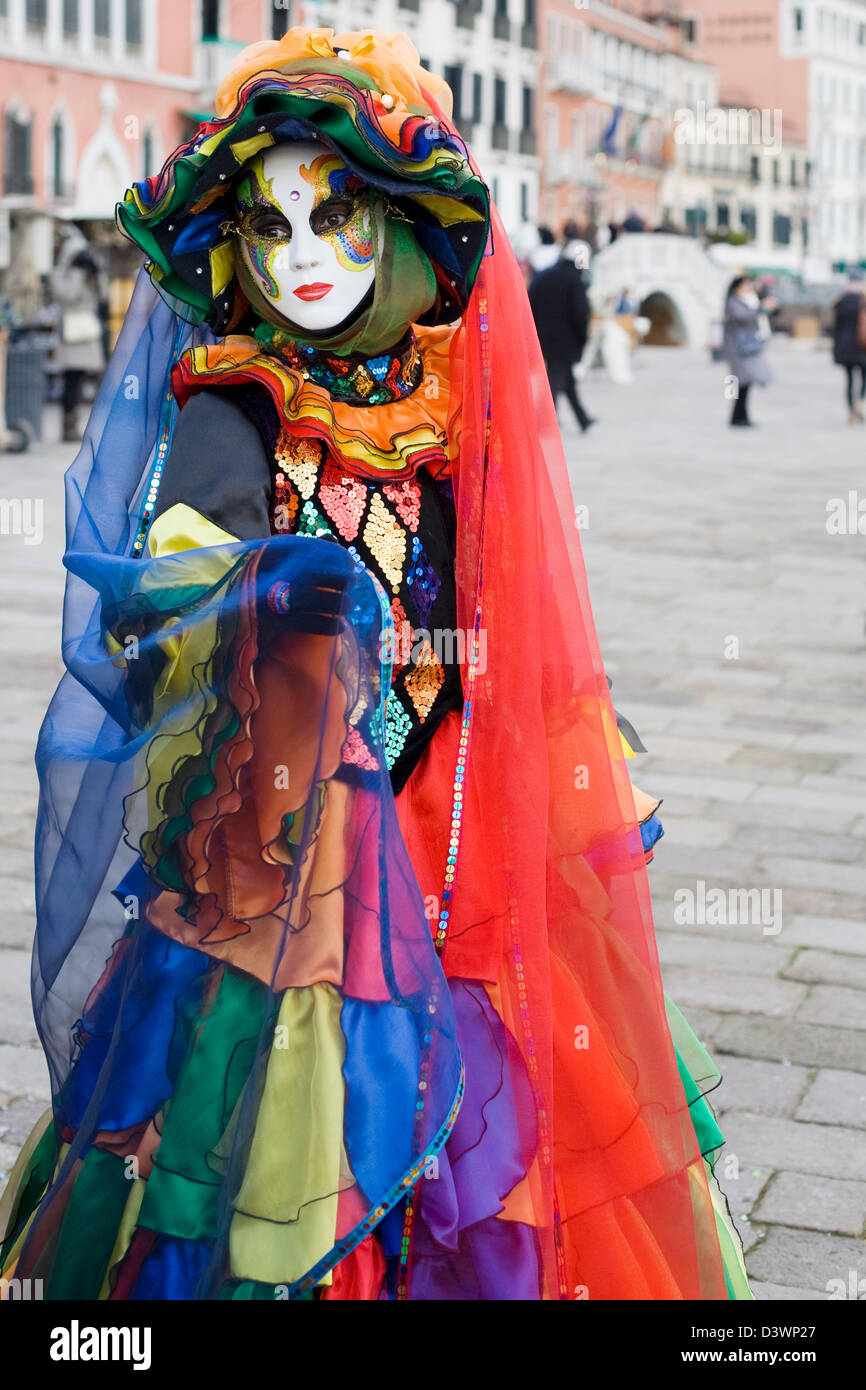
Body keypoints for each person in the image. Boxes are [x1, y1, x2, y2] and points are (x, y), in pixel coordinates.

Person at [1, 28, 751, 1301]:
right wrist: (235, 580)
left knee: (508, 1105)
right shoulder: (232, 396)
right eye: (269, 226)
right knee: (259, 1137)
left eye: (335, 216)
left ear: (399, 224)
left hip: (458, 828)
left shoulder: (455, 403)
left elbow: (496, 598)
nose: (298, 259)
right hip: (287, 834)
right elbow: (186, 547)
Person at [529, 239, 596, 432]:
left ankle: (582, 418)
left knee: (566, 380)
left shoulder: (544, 276)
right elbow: (579, 314)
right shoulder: (575, 282)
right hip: (565, 341)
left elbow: (529, 304)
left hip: (542, 337)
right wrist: (582, 339)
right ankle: (544, 422)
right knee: (556, 382)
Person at [50, 224, 106, 442]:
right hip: (71, 332)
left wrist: (96, 271)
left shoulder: (87, 269)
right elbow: (68, 296)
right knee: (71, 380)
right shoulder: (60, 273)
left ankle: (80, 423)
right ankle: (68, 425)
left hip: (87, 330)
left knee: (84, 379)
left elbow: (102, 296)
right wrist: (76, 271)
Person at [722, 275, 775, 426]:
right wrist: (761, 308)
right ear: (737, 287)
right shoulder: (733, 302)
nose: (748, 288)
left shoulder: (745, 300)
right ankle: (737, 417)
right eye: (746, 285)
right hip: (738, 349)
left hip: (744, 347)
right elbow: (743, 316)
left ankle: (741, 416)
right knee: (738, 383)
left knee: (744, 383)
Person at [832, 269, 866, 423]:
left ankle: (851, 410)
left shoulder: (841, 300)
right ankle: (859, 401)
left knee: (850, 379)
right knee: (864, 377)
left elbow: (835, 327)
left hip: (845, 346)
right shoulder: (863, 298)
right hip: (862, 344)